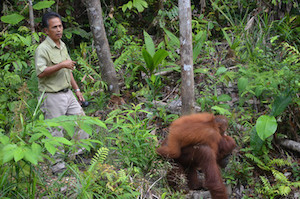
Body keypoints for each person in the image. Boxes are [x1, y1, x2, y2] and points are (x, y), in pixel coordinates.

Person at [35, 12, 89, 174]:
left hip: (68, 93)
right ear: (46, 30)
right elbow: (41, 72)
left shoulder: (62, 45)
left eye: (60, 26)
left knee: (81, 122)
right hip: (51, 96)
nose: (59, 30)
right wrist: (61, 65)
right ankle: (57, 165)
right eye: (54, 27)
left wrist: (77, 89)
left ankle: (78, 155)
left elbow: (68, 70)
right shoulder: (42, 49)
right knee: (55, 130)